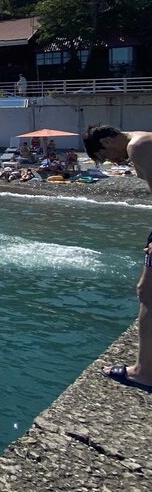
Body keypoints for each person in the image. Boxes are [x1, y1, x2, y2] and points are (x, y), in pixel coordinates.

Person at [83, 125, 152, 390]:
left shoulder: (138, 147)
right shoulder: (145, 138)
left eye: (105, 155)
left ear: (108, 140)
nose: (113, 161)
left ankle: (143, 372)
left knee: (147, 291)